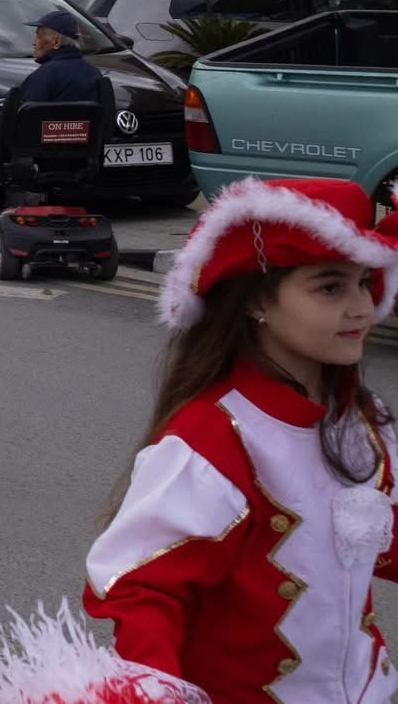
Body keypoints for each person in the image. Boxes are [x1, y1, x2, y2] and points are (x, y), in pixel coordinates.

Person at [82, 177, 398, 703]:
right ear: (256, 302)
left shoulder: (362, 420)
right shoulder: (213, 438)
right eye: (330, 287)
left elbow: (378, 542)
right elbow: (144, 590)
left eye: (364, 282)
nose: (362, 308)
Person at [15, 9, 101, 104]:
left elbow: (25, 113)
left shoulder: (45, 75)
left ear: (56, 42)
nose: (34, 42)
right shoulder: (94, 73)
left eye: (39, 36)